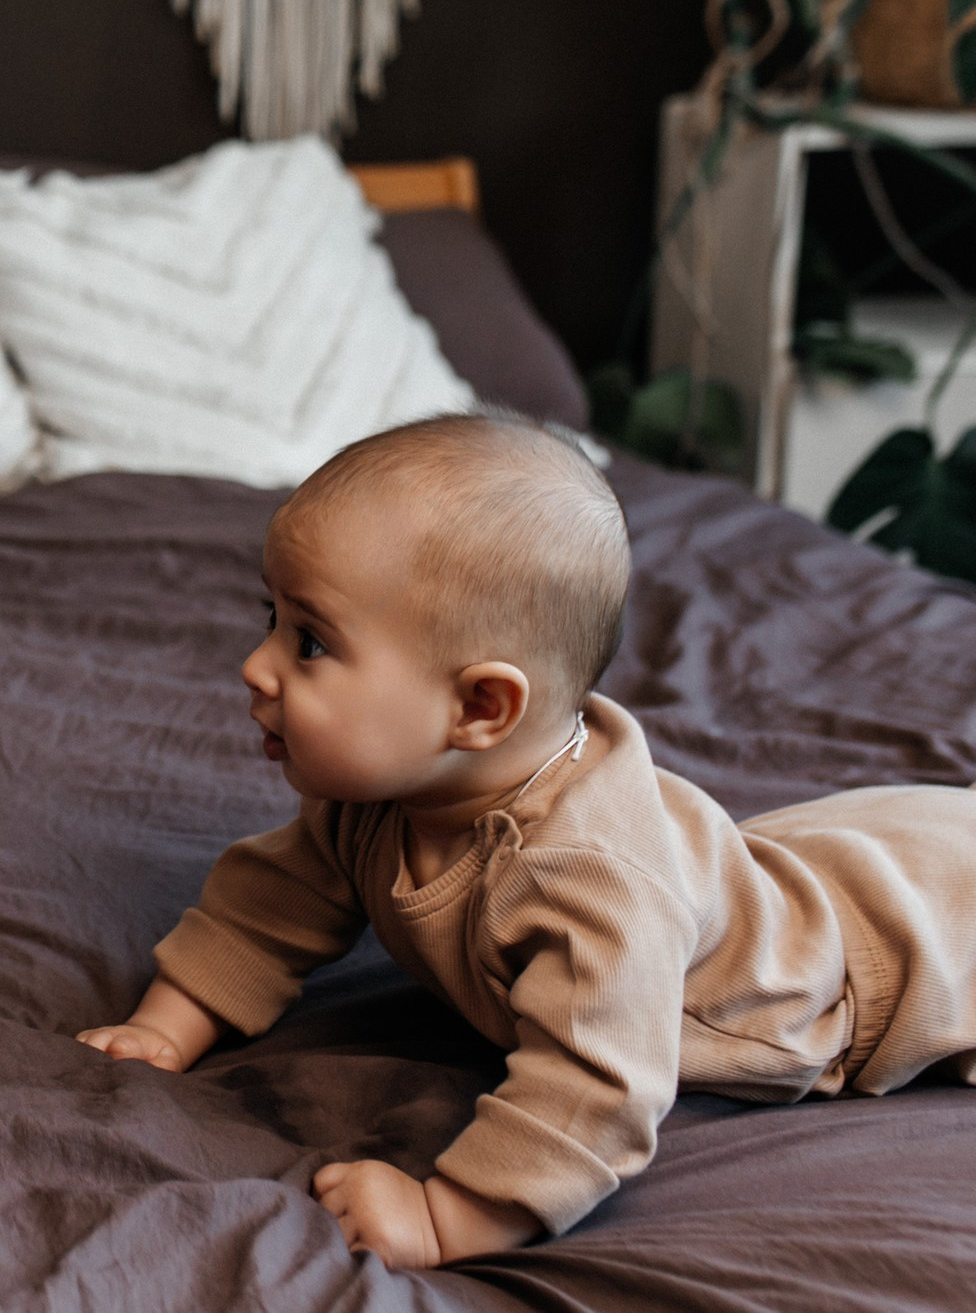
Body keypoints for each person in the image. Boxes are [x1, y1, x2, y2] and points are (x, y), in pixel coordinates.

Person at [75, 410, 976, 1268]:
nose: (256, 663)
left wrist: (448, 1215)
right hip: (791, 870)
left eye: (310, 641)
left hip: (886, 964)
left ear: (479, 707)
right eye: (269, 617)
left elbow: (598, 1090)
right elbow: (269, 905)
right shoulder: (376, 799)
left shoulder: (586, 883)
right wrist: (167, 1026)